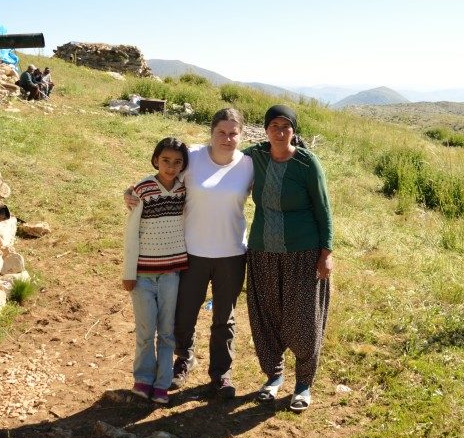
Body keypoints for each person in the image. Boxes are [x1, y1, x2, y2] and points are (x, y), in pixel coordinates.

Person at [124, 108, 253, 399]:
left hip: (232, 253)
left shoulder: (248, 164)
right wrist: (131, 191)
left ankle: (221, 374)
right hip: (190, 252)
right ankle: (184, 359)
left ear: (241, 135)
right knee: (184, 315)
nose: (227, 138)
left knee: (224, 318)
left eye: (234, 133)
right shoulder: (192, 157)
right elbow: (161, 176)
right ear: (211, 132)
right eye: (221, 131)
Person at [244, 104, 333, 413]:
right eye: (274, 126)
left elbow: (323, 209)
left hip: (303, 254)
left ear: (294, 131)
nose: (280, 131)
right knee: (266, 316)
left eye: (286, 126)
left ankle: (303, 384)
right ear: (266, 129)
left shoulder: (307, 164)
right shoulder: (255, 157)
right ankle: (273, 377)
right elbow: (218, 161)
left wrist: (327, 251)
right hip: (262, 251)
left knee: (304, 319)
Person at [122, 137, 189, 405]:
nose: (171, 167)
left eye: (177, 162)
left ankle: (162, 383)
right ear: (155, 160)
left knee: (167, 330)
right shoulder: (143, 190)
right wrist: (128, 272)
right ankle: (143, 378)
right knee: (145, 329)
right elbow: (131, 233)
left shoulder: (186, 190)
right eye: (165, 161)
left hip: (172, 272)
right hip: (143, 275)